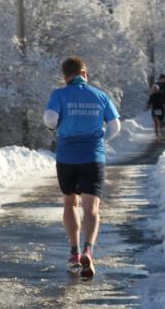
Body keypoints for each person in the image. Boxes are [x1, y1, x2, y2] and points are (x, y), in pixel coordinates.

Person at [42, 56, 121, 278]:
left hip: (67, 157)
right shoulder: (100, 95)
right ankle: (89, 250)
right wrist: (102, 141)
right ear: (84, 74)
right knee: (92, 208)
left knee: (70, 202)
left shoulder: (59, 94)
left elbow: (50, 119)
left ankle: (74, 253)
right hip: (93, 157)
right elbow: (115, 126)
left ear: (65, 76)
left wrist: (59, 125)